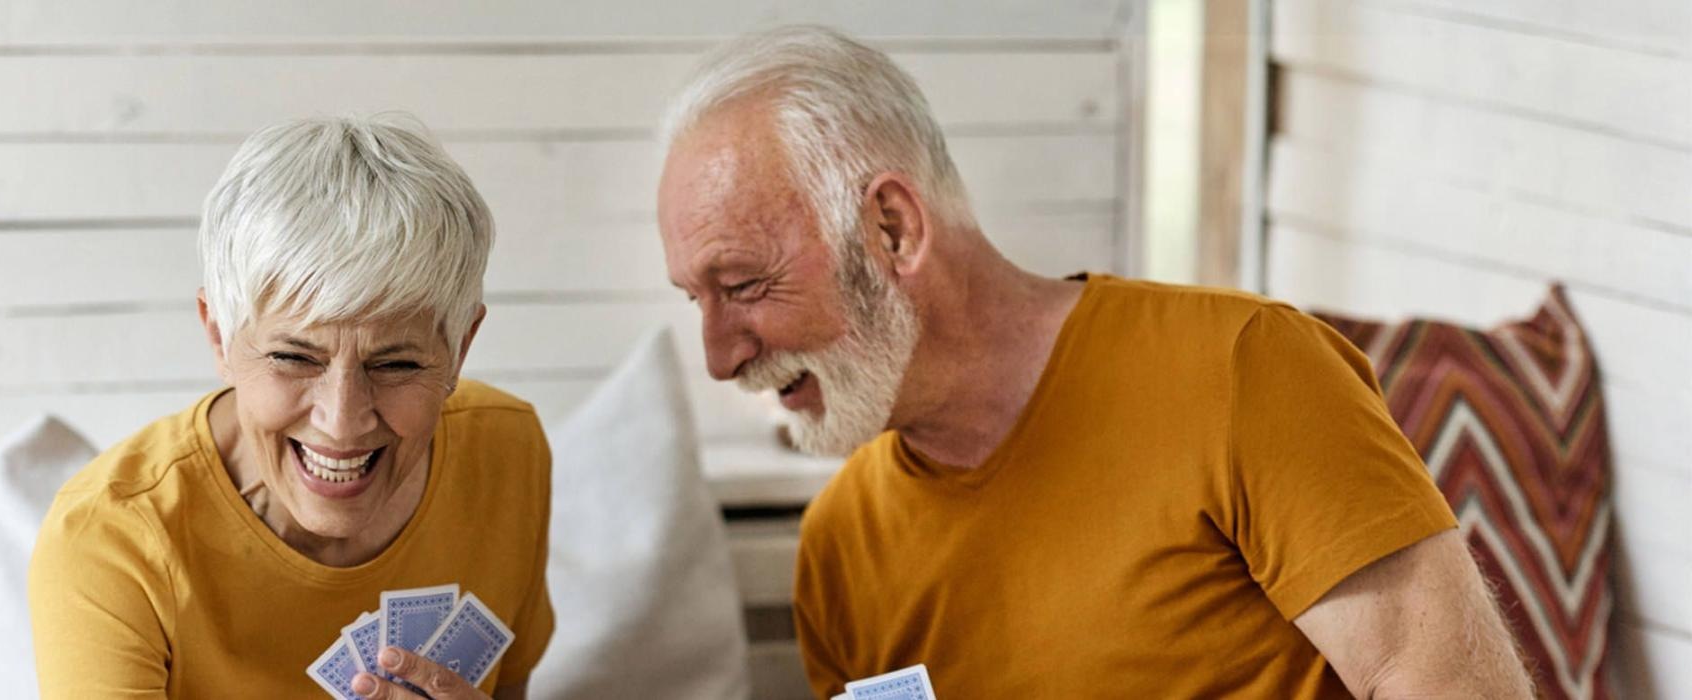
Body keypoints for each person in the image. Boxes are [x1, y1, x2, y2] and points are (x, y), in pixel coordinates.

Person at [654, 25, 1534, 698]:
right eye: (697, 300)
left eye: (743, 284)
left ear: (893, 228)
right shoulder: (842, 545)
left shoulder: (1245, 368)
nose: (720, 357)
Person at [29, 115, 552, 699]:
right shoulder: (111, 539)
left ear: (460, 349)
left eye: (396, 364)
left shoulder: (509, 450)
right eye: (294, 358)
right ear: (219, 337)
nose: (342, 419)